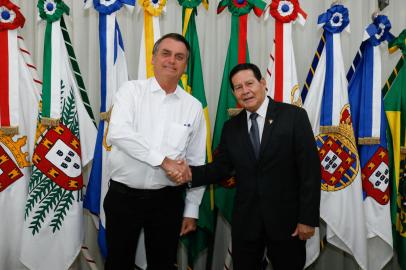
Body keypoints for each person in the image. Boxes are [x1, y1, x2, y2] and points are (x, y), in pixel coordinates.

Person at [176, 63, 321, 269]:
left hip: (287, 222)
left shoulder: (293, 116)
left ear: (263, 83)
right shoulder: (231, 127)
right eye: (238, 87)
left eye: (249, 83)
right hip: (246, 223)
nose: (245, 91)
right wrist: (186, 173)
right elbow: (221, 168)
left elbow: (310, 171)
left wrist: (307, 218)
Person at [103, 33, 206, 270]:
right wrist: (165, 161)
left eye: (179, 57)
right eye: (166, 53)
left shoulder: (193, 106)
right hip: (123, 198)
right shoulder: (130, 91)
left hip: (167, 202)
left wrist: (191, 209)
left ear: (185, 65)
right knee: (118, 263)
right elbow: (118, 133)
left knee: (163, 264)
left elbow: (195, 162)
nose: (172, 61)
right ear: (153, 58)